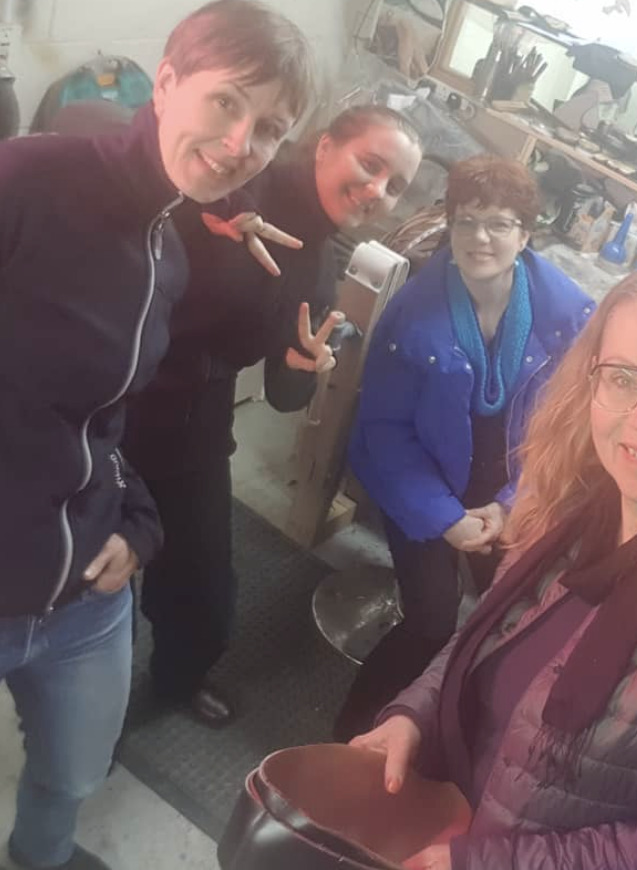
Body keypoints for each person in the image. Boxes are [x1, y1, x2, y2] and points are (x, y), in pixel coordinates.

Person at [349, 264, 637, 870]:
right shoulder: (568, 504)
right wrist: (412, 716)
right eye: (624, 378)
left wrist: (480, 864)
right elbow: (482, 640)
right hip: (440, 815)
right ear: (591, 381)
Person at [0, 2, 314, 868]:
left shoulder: (166, 253)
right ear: (167, 82)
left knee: (75, 771)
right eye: (227, 101)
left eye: (270, 128)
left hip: (85, 597)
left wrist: (137, 520)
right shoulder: (26, 182)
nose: (241, 141)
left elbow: (103, 421)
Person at [121, 105, 423, 728]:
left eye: (395, 185)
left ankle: (177, 681)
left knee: (205, 593)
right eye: (369, 164)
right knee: (88, 577)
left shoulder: (317, 266)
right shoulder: (238, 179)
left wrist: (303, 363)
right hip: (115, 395)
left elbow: (284, 396)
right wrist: (214, 220)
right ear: (324, 146)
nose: (376, 190)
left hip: (193, 424)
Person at [336, 155, 595, 741]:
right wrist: (445, 520)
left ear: (525, 235)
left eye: (499, 223)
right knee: (431, 618)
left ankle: (452, 739)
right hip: (422, 484)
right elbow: (385, 433)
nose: (481, 238)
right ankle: (352, 733)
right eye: (467, 222)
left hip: (509, 484)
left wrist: (511, 503)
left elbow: (567, 429)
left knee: (508, 616)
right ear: (449, 226)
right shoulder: (412, 314)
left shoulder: (570, 317)